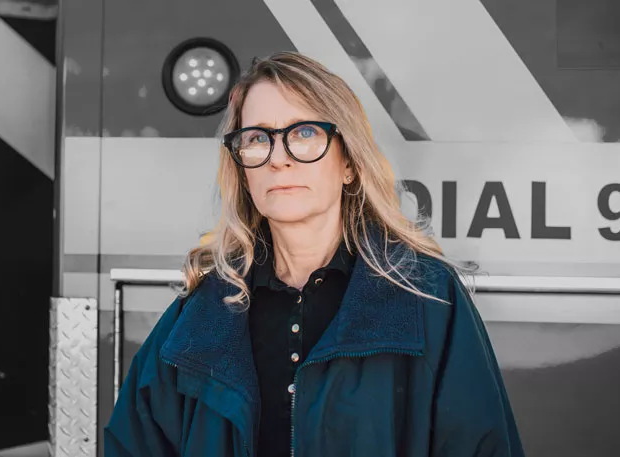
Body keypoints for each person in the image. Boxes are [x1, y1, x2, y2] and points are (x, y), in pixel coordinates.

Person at [104, 51, 525, 457]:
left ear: (348, 163)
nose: (279, 159)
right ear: (242, 167)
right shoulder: (203, 312)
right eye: (257, 138)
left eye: (304, 133)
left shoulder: (428, 299)